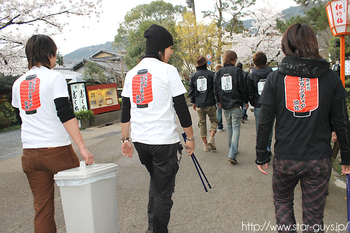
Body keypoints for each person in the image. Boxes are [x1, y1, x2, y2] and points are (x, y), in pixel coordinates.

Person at [256, 23, 350, 232]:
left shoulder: (275, 78)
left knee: (282, 203)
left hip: (286, 158)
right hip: (318, 158)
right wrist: (347, 157)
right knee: (314, 217)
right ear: (312, 44)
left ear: (286, 45)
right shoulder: (330, 77)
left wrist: (262, 155)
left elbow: (265, 121)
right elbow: (342, 121)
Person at [11, 35, 94, 233]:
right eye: (55, 54)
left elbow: (19, 117)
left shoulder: (18, 83)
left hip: (30, 154)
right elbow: (65, 114)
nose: (55, 59)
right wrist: (82, 147)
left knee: (42, 209)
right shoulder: (54, 77)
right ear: (49, 54)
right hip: (57, 151)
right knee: (79, 201)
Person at [120, 24, 195, 233]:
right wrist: (190, 137)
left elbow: (125, 110)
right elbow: (181, 106)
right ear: (161, 48)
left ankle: (152, 227)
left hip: (141, 142)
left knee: (157, 183)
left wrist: (125, 140)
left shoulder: (132, 74)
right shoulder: (168, 71)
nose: (171, 53)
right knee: (164, 193)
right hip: (163, 143)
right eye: (170, 48)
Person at [214, 50, 248, 164]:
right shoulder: (237, 71)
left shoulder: (219, 72)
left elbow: (216, 88)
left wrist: (218, 101)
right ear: (233, 60)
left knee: (229, 126)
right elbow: (242, 88)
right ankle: (232, 153)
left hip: (224, 103)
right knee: (236, 127)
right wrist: (245, 101)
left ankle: (231, 147)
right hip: (236, 103)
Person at [188, 55, 218, 152]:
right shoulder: (212, 74)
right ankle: (211, 138)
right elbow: (216, 89)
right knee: (214, 121)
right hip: (211, 103)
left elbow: (191, 91)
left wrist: (193, 102)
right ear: (205, 64)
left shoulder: (194, 76)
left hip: (199, 104)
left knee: (202, 124)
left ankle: (205, 144)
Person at [246, 52, 273, 155]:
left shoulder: (251, 75)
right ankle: (268, 147)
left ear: (254, 62)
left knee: (260, 128)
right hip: (270, 105)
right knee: (269, 127)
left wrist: (253, 102)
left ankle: (262, 147)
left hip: (258, 105)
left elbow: (250, 92)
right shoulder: (272, 74)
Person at [215, 64, 224, 131]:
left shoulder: (214, 76)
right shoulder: (223, 76)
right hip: (223, 95)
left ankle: (219, 125)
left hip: (216, 96)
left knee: (219, 111)